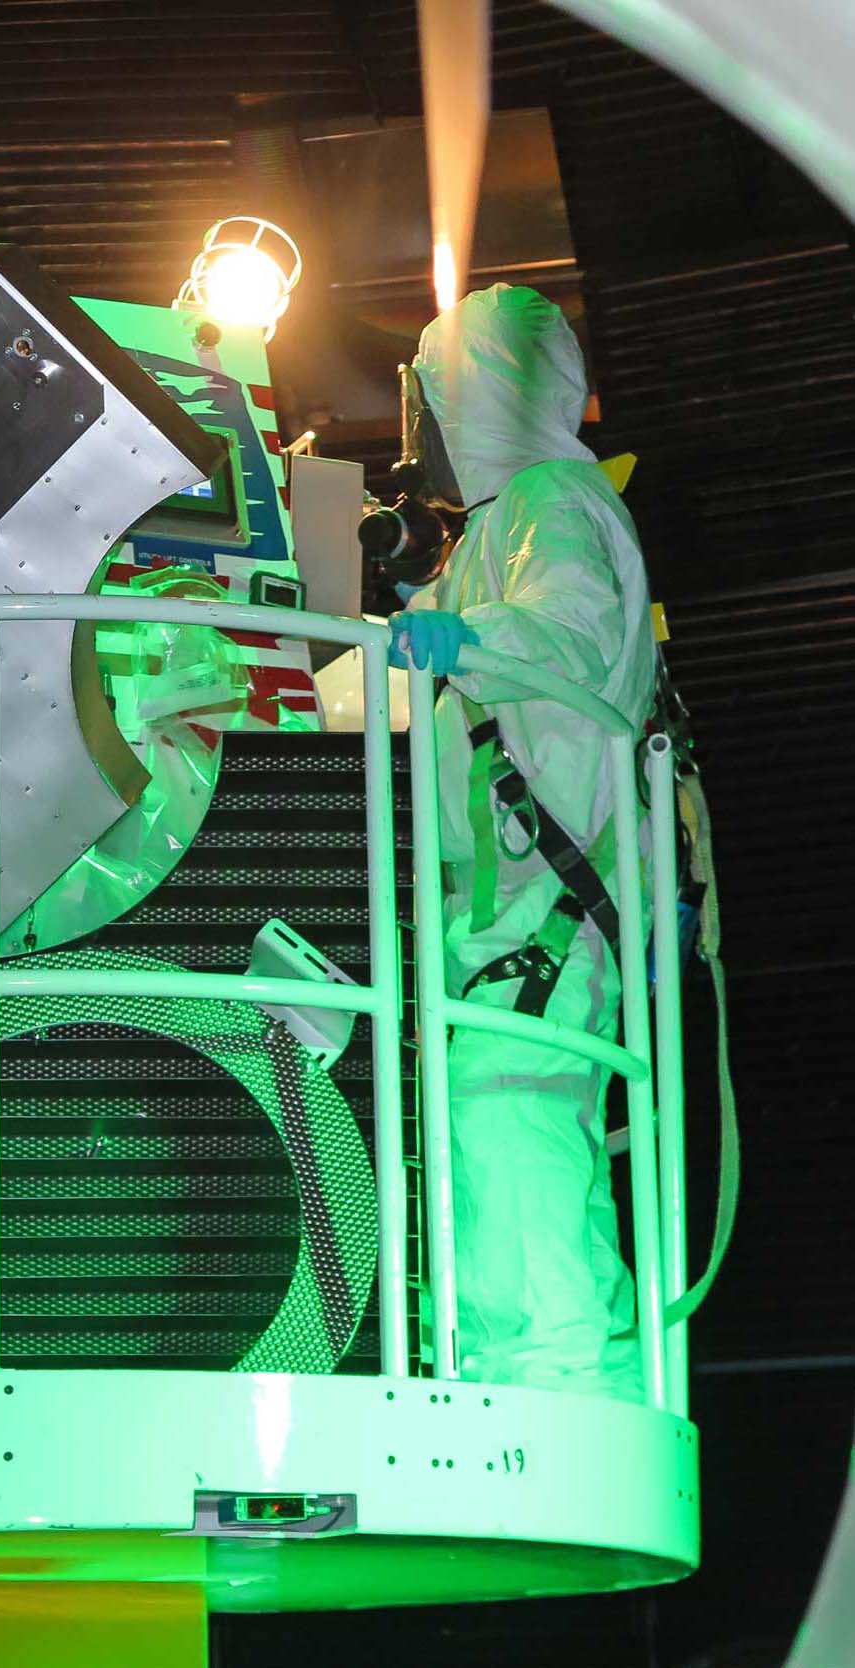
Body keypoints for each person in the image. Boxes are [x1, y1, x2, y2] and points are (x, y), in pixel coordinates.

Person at [384, 284, 654, 1399]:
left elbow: (570, 629)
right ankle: (571, 1367)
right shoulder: (507, 524)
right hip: (515, 899)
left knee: (506, 1112)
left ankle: (547, 1381)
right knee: (524, 1115)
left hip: (543, 889)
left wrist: (465, 631)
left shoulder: (550, 499)